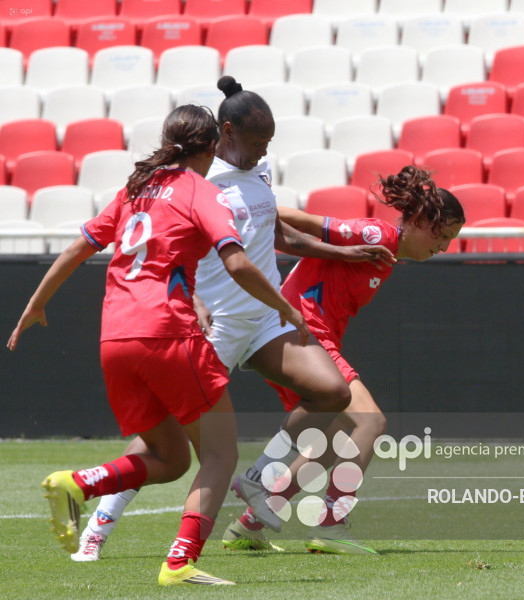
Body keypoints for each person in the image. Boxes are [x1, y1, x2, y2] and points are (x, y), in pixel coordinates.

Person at [67, 75, 395, 561]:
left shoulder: (257, 173)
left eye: (268, 144)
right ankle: (98, 526)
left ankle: (260, 479)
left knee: (332, 391)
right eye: (258, 143)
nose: (264, 153)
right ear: (227, 132)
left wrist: (345, 252)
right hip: (213, 324)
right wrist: (191, 302)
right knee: (167, 440)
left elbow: (278, 234)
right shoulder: (198, 180)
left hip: (262, 322)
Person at [75, 164, 464, 558]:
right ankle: (327, 522)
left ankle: (252, 522)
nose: (444, 247)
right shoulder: (377, 235)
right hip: (288, 327)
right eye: (442, 235)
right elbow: (297, 220)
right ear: (417, 220)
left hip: (282, 329)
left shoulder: (389, 251)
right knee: (370, 421)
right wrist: (254, 213)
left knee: (335, 434)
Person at [7, 104, 310, 586]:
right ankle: (180, 562)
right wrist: (287, 307)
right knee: (220, 456)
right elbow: (237, 263)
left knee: (170, 458)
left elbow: (76, 248)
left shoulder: (135, 190)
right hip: (166, 333)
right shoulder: (201, 190)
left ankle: (78, 484)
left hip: (114, 338)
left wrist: (35, 305)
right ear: (212, 147)